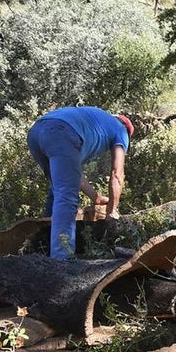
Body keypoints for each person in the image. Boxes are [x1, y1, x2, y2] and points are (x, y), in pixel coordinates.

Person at [26, 106, 133, 260]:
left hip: (36, 132)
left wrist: (96, 197)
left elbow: (74, 176)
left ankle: (43, 246)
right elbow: (117, 174)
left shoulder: (94, 120)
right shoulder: (121, 130)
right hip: (61, 131)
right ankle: (61, 259)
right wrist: (112, 211)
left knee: (57, 190)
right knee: (66, 197)